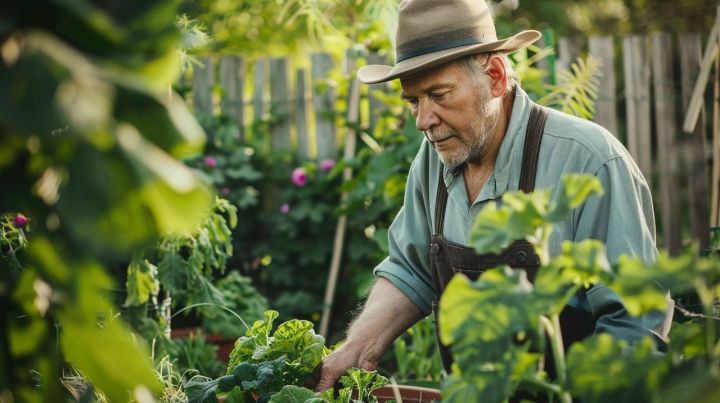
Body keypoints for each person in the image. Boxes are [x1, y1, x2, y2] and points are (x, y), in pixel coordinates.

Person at [315, 0, 672, 391]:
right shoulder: (433, 161)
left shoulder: (588, 161)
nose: (422, 121)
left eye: (439, 94)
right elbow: (409, 271)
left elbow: (634, 323)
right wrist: (356, 350)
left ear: (496, 77)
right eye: (414, 101)